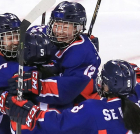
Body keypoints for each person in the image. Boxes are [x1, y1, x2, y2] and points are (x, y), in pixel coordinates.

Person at [8, 1, 101, 113]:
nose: (59, 32)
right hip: (49, 93)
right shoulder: (39, 33)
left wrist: (36, 85)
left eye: (65, 27)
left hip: (79, 100)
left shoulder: (84, 54)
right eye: (56, 25)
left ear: (78, 28)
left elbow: (66, 91)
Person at [1, 59, 140, 134]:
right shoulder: (136, 100)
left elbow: (57, 124)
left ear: (107, 86)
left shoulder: (94, 110)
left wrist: (30, 113)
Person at [0, 13, 36, 134]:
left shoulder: (25, 50)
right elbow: (6, 73)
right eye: (10, 38)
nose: (16, 42)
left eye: (17, 37)